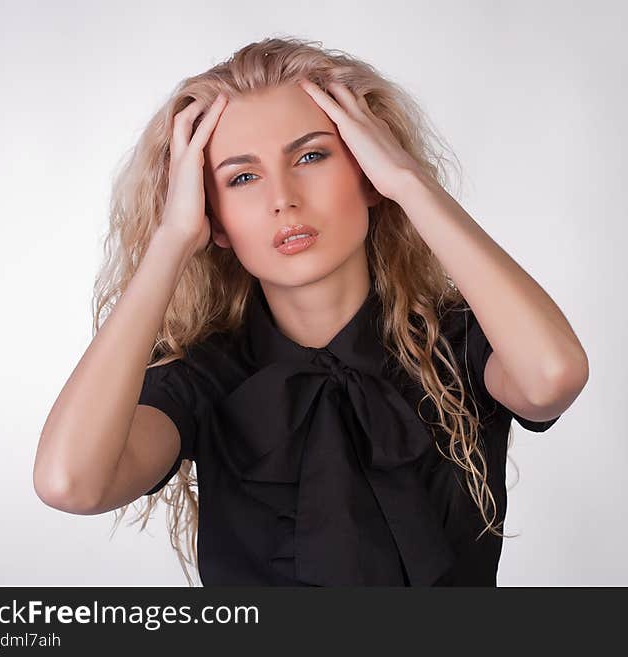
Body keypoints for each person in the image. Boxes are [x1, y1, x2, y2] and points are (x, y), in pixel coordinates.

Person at [33, 36, 589, 587]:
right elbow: (69, 483)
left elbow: (552, 376)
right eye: (242, 177)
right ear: (214, 216)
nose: (284, 198)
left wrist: (408, 183)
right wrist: (172, 239)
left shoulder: (461, 339)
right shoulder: (202, 376)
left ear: (366, 170)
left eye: (311, 155)